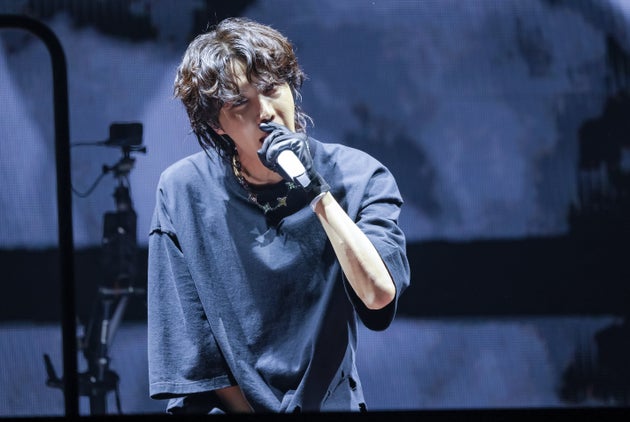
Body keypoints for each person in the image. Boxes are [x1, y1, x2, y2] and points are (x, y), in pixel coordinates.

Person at [147, 17, 410, 414]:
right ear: (216, 124)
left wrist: (315, 191)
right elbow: (192, 348)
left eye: (272, 89)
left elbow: (377, 296)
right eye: (240, 103)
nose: (266, 112)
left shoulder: (358, 175)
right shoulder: (183, 190)